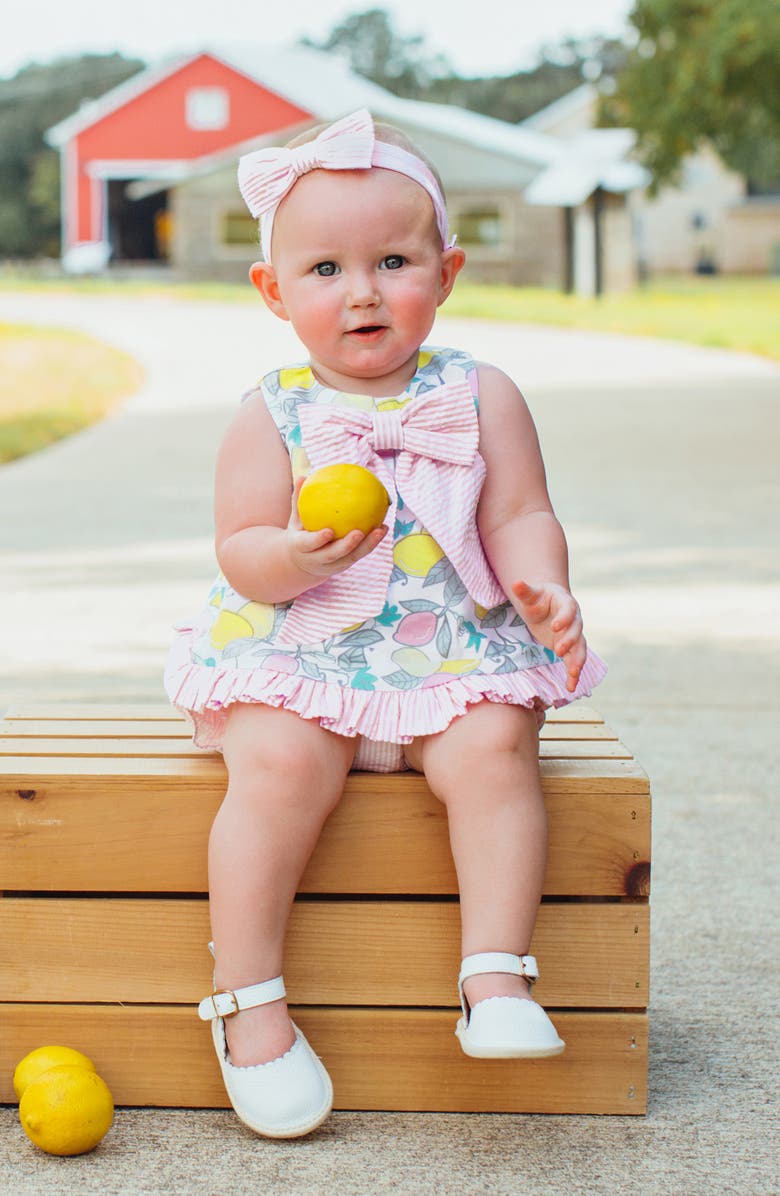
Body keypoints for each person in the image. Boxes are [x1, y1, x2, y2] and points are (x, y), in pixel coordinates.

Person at [165, 108, 607, 1140]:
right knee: (273, 764)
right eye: (324, 268)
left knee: (499, 744)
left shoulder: (480, 392)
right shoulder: (270, 410)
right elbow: (237, 545)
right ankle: (250, 1000)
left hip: (448, 652)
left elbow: (521, 511)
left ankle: (495, 974)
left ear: (446, 273)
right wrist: (291, 555)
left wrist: (542, 582)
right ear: (274, 291)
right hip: (305, 652)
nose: (361, 289)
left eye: (393, 259)